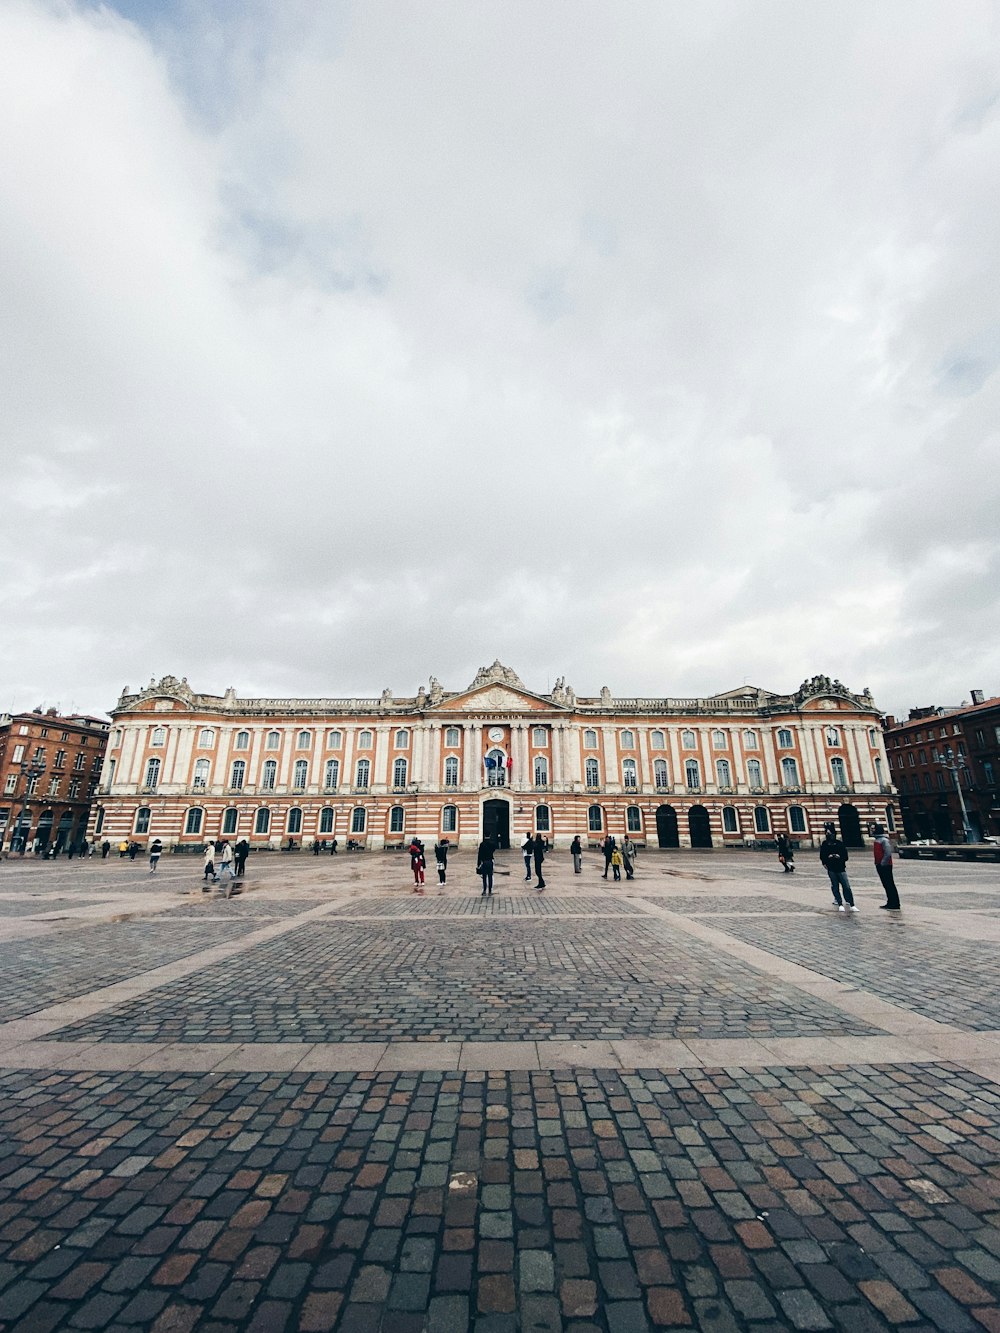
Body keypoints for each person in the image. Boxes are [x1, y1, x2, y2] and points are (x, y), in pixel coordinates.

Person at [819, 825, 856, 911]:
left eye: (829, 833)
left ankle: (851, 903)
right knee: (835, 885)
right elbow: (822, 855)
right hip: (831, 868)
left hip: (841, 867)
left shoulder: (840, 844)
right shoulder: (825, 844)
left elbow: (845, 856)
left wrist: (839, 856)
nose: (828, 834)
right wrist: (825, 861)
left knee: (846, 886)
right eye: (827, 833)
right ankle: (839, 902)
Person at [872, 824, 901, 910]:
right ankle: (890, 902)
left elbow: (888, 853)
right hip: (880, 864)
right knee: (886, 884)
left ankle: (895, 903)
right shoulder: (877, 840)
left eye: (873, 828)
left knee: (889, 884)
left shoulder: (883, 840)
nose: (872, 830)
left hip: (885, 865)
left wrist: (882, 863)